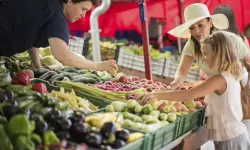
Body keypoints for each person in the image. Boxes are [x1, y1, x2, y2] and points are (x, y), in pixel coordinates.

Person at [136, 31, 250, 149]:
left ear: (218, 54)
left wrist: (156, 94)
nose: (203, 59)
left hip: (231, 140)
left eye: (205, 54)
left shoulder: (218, 79)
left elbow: (189, 94)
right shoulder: (229, 74)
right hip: (232, 136)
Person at [0, 0, 117, 73]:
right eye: (83, 9)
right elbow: (63, 56)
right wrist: (96, 66)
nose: (83, 15)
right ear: (70, 1)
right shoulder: (56, 15)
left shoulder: (48, 5)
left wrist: (37, 66)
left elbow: (32, 38)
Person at [167, 3, 250, 102]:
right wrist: (177, 81)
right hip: (217, 93)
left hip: (242, 91)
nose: (196, 31)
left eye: (200, 25)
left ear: (210, 23)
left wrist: (247, 89)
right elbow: (181, 72)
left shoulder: (231, 40)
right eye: (191, 28)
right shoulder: (192, 45)